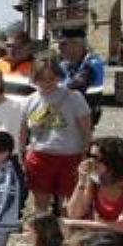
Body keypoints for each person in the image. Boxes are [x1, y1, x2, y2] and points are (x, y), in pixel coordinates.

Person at [23, 54, 92, 215]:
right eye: (42, 79)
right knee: (40, 205)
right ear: (34, 78)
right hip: (40, 156)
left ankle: (66, 235)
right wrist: (22, 154)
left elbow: (86, 130)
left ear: (59, 76)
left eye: (51, 78)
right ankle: (43, 235)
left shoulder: (74, 97)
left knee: (68, 204)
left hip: (70, 156)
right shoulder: (29, 100)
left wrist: (85, 155)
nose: (47, 83)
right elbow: (23, 131)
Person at [65, 136, 123, 246]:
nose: (90, 161)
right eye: (89, 156)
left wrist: (74, 223)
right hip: (105, 232)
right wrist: (81, 181)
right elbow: (74, 213)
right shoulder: (96, 178)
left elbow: (122, 226)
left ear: (113, 160)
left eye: (95, 158)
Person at [58, 28, 105, 126]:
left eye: (63, 44)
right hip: (68, 115)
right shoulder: (65, 64)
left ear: (77, 44)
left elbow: (72, 87)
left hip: (84, 118)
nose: (59, 48)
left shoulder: (92, 63)